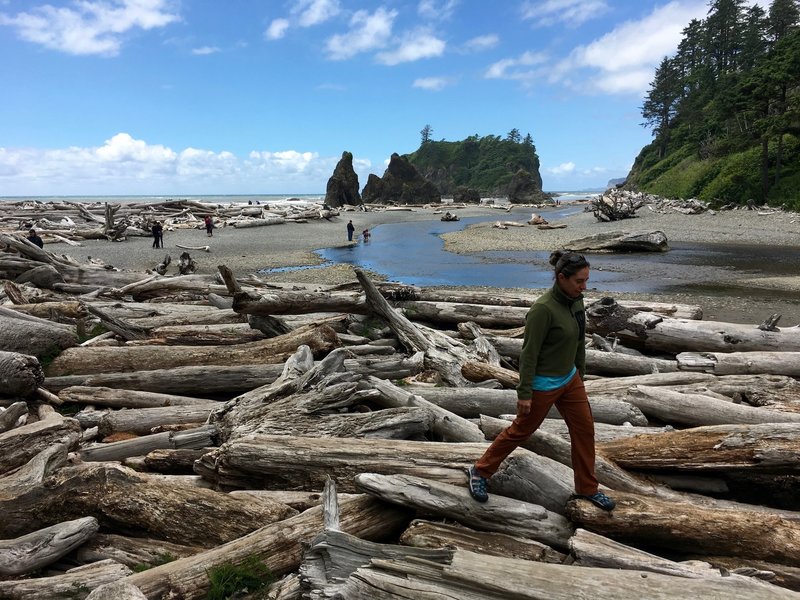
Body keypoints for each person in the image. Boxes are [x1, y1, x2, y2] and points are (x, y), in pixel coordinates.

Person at [466, 250, 616, 511]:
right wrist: (524, 393)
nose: (584, 286)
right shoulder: (543, 309)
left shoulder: (577, 301)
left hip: (570, 380)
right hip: (542, 385)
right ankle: (479, 471)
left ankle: (587, 488)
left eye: (586, 280)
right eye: (579, 281)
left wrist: (579, 374)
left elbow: (579, 342)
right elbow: (529, 354)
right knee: (520, 431)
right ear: (561, 278)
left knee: (584, 431)